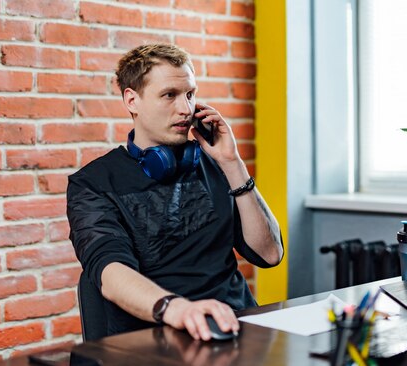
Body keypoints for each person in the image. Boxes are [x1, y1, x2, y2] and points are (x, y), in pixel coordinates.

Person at [66, 44, 283, 341]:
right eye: (169, 95)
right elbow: (111, 273)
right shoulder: (93, 182)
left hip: (231, 327)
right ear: (132, 100)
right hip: (155, 338)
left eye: (190, 94)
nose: (186, 109)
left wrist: (233, 164)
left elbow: (270, 254)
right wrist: (178, 309)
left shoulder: (216, 164)